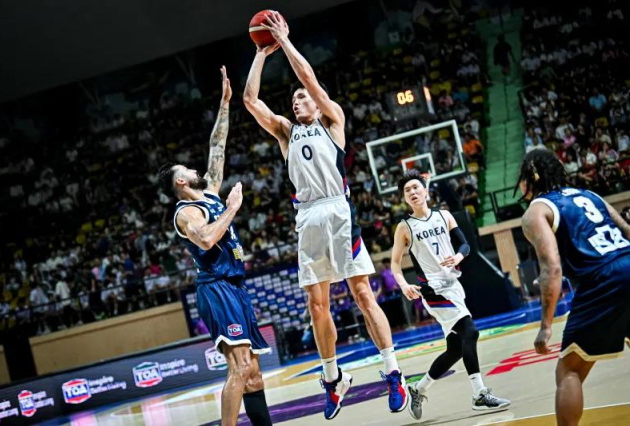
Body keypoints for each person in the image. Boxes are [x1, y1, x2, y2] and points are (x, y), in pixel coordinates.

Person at [243, 12, 409, 419]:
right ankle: (334, 381)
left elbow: (310, 78)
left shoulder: (332, 120)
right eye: (294, 98)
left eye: (303, 97)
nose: (298, 99)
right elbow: (250, 100)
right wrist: (262, 54)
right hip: (307, 217)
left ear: (316, 105)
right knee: (317, 307)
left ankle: (393, 372)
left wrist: (284, 42)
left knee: (362, 294)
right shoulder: (285, 131)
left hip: (338, 211)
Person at [157, 67, 272, 426]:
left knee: (253, 372)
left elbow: (217, 146)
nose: (197, 169)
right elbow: (206, 238)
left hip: (235, 286)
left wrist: (224, 103)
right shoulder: (186, 212)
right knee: (239, 366)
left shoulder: (208, 194)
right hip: (216, 288)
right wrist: (234, 208)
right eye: (189, 169)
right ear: (181, 181)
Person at [518, 149, 630, 426]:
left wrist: (545, 324)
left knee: (569, 370)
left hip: (601, 279)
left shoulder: (537, 210)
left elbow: (552, 268)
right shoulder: (590, 195)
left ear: (530, 177)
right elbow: (627, 231)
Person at [390, 170, 511, 421]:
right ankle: (480, 394)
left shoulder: (444, 216)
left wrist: (458, 256)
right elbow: (394, 264)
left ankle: (418, 388)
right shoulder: (405, 227)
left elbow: (464, 244)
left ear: (425, 190)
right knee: (471, 332)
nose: (412, 192)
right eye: (407, 191)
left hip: (453, 285)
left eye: (415, 187)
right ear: (404, 198)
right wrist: (403, 285)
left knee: (455, 349)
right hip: (433, 290)